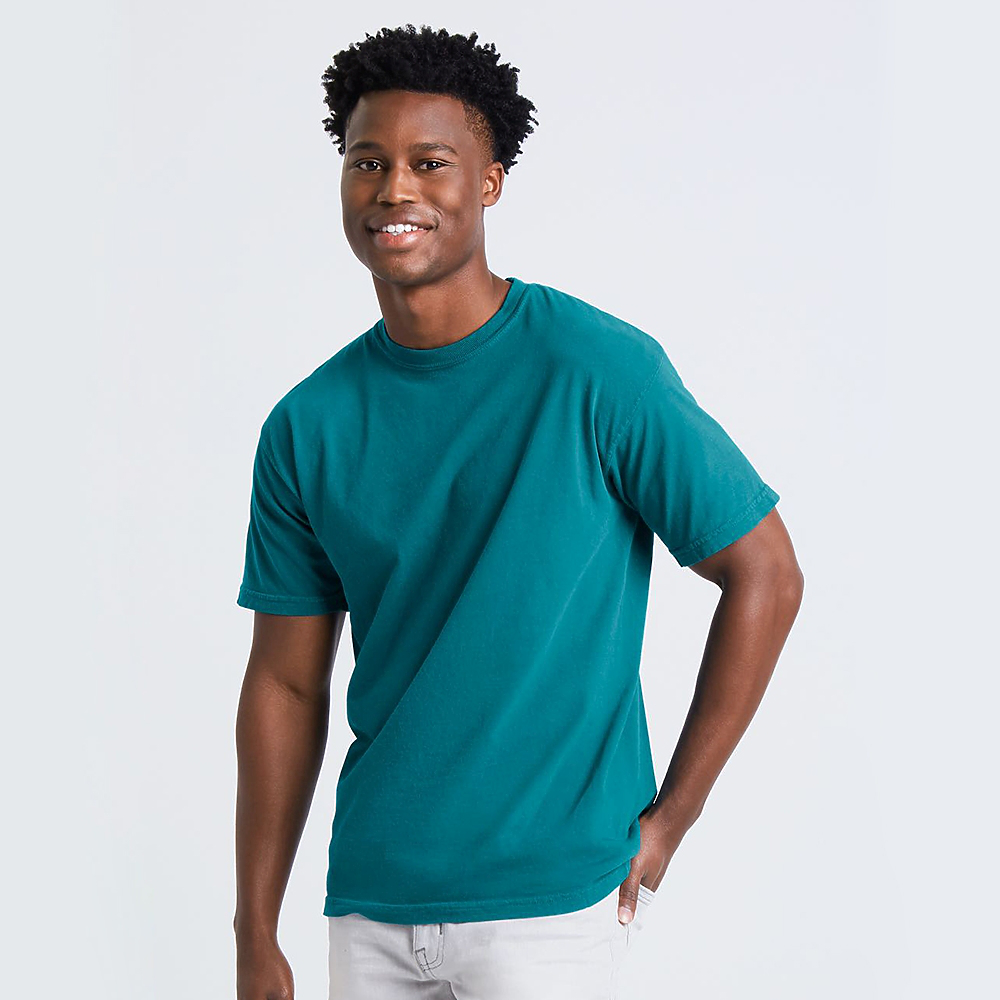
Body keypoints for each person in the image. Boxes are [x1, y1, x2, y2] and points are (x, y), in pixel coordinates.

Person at [233, 22, 804, 1000]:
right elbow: (285, 683)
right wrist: (255, 928)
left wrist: (672, 819)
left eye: (430, 162)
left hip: (550, 910)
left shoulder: (598, 370)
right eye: (368, 162)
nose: (395, 188)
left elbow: (765, 573)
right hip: (371, 903)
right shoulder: (307, 424)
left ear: (489, 182)